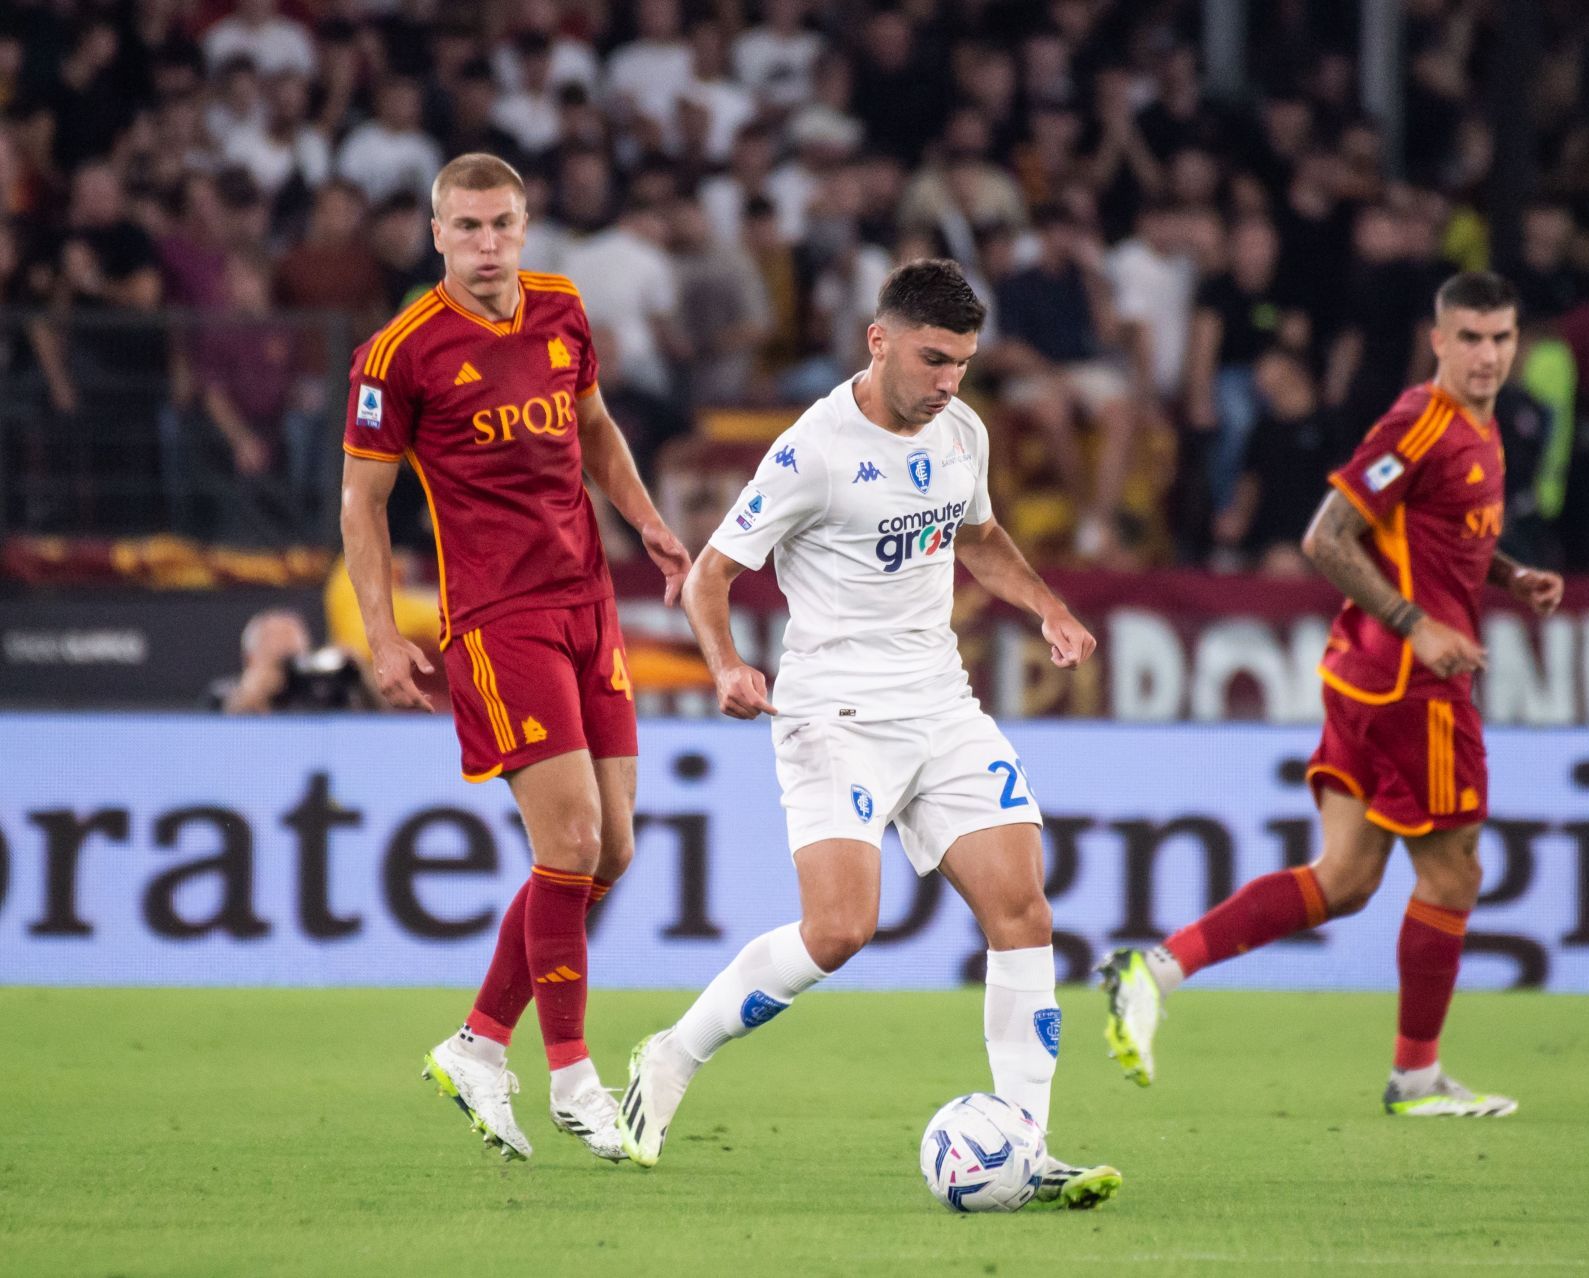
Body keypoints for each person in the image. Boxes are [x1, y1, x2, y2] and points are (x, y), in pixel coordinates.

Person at [612, 259, 1123, 1209]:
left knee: (1024, 911)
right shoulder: (813, 450)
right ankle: (672, 1054)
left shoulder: (961, 428)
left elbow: (976, 537)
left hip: (941, 702)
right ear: (877, 339)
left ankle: (1024, 1142)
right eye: (933, 360)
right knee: (841, 929)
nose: (948, 384)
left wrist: (1048, 608)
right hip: (836, 715)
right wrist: (727, 664)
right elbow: (714, 574)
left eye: (963, 364)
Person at [1100, 272, 1565, 1118]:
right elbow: (1327, 537)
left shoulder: (1484, 430)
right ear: (1438, 340)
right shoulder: (1422, 422)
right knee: (1453, 872)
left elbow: (1434, 539)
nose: (1488, 354)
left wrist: (1510, 575)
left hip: (1364, 672)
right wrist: (1417, 622)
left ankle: (1156, 970)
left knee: (1346, 876)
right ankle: (1417, 1078)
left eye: (1501, 337)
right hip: (1407, 682)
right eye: (1470, 337)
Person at [337, 152, 692, 1164]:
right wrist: (380, 632)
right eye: (467, 228)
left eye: (502, 226)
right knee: (572, 840)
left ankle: (480, 1042)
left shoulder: (562, 310)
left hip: (590, 603)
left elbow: (594, 429)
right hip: (497, 619)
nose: (487, 246)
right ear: (436, 233)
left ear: (525, 227)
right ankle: (573, 1073)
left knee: (612, 851)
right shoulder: (398, 354)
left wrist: (650, 523)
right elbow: (362, 502)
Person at [206, 608, 377, 713]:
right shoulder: (222, 693)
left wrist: (360, 672)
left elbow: (385, 720)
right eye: (281, 662)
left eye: (295, 662)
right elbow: (218, 739)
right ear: (250, 659)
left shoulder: (320, 692)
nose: (289, 673)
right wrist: (255, 693)